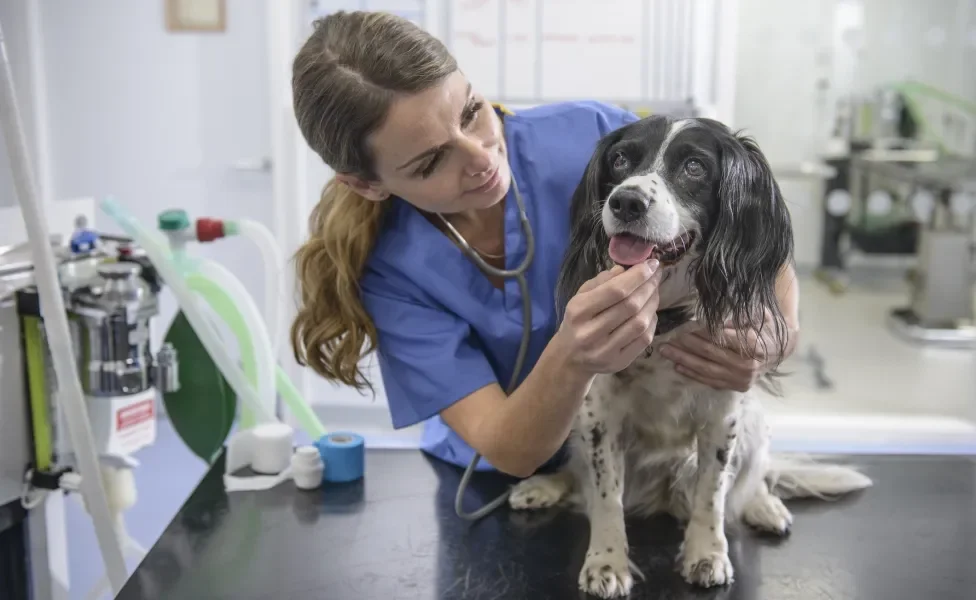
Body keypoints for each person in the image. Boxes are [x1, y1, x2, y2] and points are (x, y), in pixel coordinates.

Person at [289, 11, 800, 479]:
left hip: (638, 458)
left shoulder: (595, 136)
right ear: (366, 184)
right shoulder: (391, 273)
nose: (482, 158)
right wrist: (573, 356)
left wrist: (776, 337)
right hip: (497, 480)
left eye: (471, 111)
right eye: (430, 162)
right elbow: (510, 449)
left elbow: (748, 228)